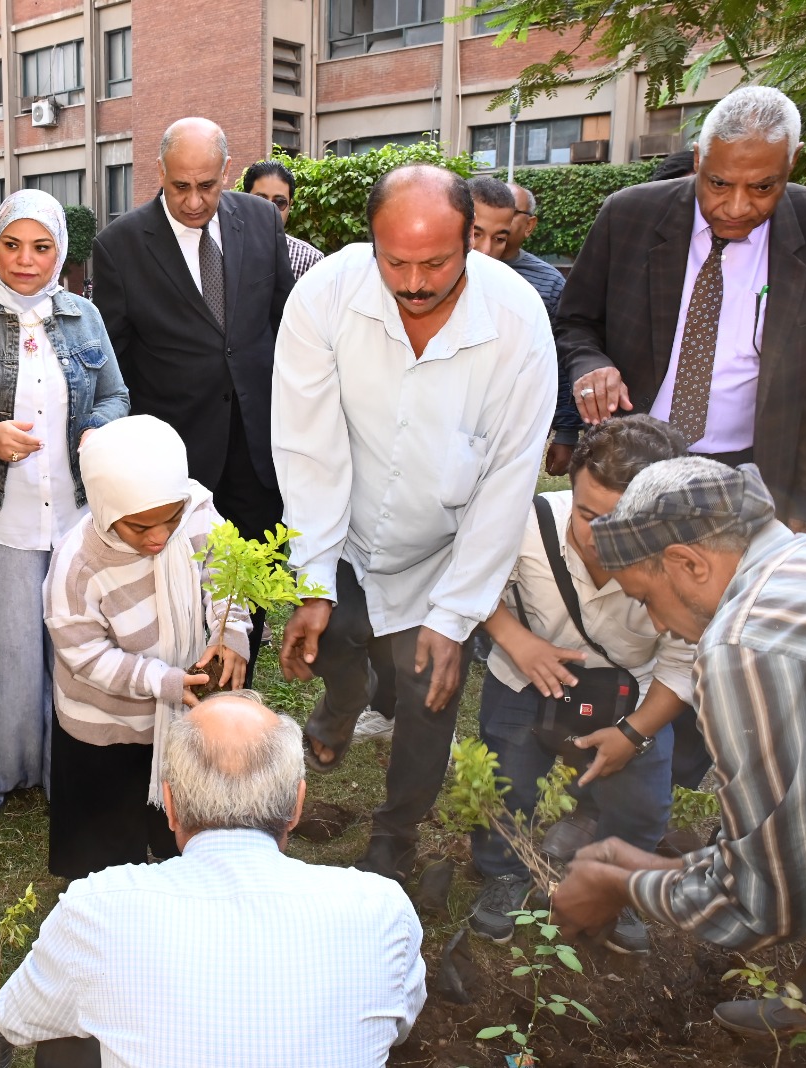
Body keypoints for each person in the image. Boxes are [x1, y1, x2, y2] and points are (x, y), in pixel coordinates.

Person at [273, 162, 555, 882]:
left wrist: (459, 614)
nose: (415, 283)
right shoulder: (324, 296)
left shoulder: (518, 322)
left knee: (429, 690)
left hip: (445, 546)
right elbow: (309, 445)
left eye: (437, 263)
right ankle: (343, 703)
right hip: (347, 523)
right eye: (395, 261)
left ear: (476, 240)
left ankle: (394, 836)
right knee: (333, 636)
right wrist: (313, 579)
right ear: (370, 241)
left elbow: (507, 482)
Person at [554, 458, 806, 1041]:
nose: (658, 625)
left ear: (689, 564)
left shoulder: (747, 641)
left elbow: (772, 904)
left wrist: (622, 885)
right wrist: (672, 868)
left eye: (644, 597)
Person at [0, 693, 425, 1066]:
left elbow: (16, 1018)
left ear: (170, 805)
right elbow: (401, 1025)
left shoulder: (94, 909)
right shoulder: (383, 909)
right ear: (296, 806)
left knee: (64, 1044)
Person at [0, 189, 129, 817]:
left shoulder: (84, 316)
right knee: (2, 649)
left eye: (42, 247)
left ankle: (73, 767)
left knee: (73, 642)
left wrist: (98, 428)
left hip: (75, 516)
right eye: (12, 244)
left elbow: (116, 393)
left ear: (62, 252)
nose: (26, 260)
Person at [560, 85, 806, 528]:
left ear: (792, 162)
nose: (737, 206)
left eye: (763, 186)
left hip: (754, 473)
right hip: (630, 461)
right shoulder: (629, 215)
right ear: (698, 158)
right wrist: (590, 364)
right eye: (719, 183)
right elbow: (576, 322)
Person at [467, 415, 693, 955]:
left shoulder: (686, 563)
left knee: (641, 806)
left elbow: (682, 663)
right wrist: (515, 640)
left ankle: (620, 886)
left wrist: (634, 735)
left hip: (632, 694)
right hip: (522, 682)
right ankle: (503, 872)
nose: (599, 535)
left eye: (622, 521)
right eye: (587, 513)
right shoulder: (524, 526)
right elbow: (472, 587)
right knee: (508, 784)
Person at [91, 119, 293, 681]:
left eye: (207, 184)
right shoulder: (120, 245)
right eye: (181, 186)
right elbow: (114, 360)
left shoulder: (258, 219)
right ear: (159, 173)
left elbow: (282, 320)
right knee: (183, 580)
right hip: (176, 453)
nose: (195, 199)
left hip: (256, 442)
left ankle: (236, 683)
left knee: (245, 575)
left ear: (227, 172)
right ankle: (181, 683)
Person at [43, 415, 251, 879]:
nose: (159, 537)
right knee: (106, 850)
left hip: (180, 713)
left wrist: (229, 629)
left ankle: (175, 863)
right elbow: (86, 657)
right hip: (108, 724)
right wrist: (164, 682)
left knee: (178, 820)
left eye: (169, 520)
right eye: (139, 528)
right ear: (104, 508)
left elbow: (225, 571)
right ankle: (111, 904)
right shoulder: (78, 567)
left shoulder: (195, 508)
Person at [470, 177, 579, 477]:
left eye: (499, 237)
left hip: (511, 436)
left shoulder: (541, 287)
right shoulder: (424, 280)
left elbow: (560, 362)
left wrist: (566, 431)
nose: (485, 249)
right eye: (475, 233)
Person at [240, 159, 323, 280]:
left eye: (279, 202)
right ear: (244, 200)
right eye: (260, 200)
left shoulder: (310, 260)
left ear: (290, 205)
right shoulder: (224, 251)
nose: (269, 209)